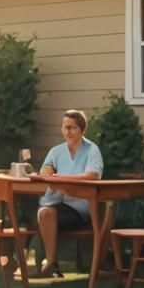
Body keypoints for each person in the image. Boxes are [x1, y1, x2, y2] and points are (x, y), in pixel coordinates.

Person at [35, 109, 103, 278]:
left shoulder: (92, 150)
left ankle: (51, 263)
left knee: (46, 213)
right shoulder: (56, 151)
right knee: (44, 212)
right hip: (59, 204)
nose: (67, 132)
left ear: (81, 129)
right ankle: (51, 263)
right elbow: (45, 170)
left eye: (71, 128)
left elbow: (92, 175)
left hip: (83, 207)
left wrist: (63, 177)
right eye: (64, 127)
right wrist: (48, 170)